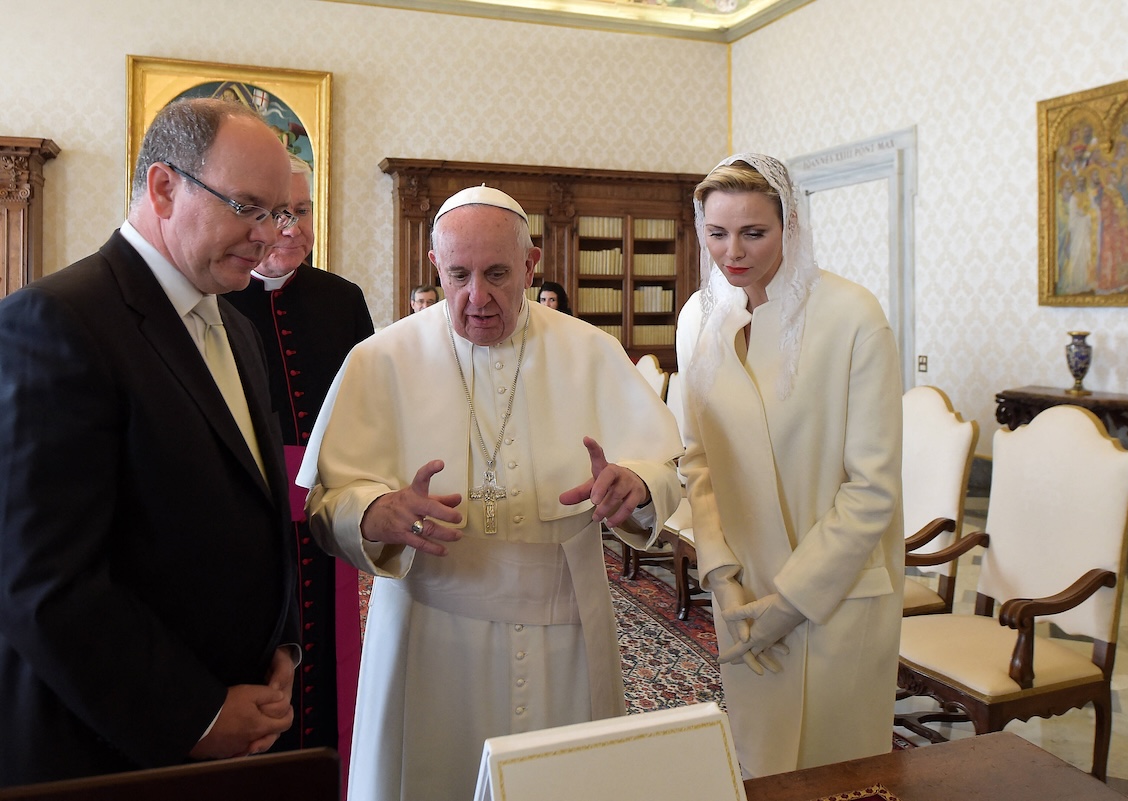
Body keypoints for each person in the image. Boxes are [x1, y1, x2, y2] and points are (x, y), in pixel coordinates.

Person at [298, 185, 683, 801]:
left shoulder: (591, 352)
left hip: (568, 629)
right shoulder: (381, 360)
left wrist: (636, 486)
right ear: (434, 267)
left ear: (531, 265)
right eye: (459, 275)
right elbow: (329, 502)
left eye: (498, 274)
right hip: (430, 633)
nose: (477, 298)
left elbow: (664, 466)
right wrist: (375, 511)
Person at [0, 97, 300, 786]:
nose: (268, 236)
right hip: (107, 748)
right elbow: (44, 583)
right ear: (165, 187)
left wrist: (281, 646)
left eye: (278, 213)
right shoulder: (57, 322)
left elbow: (253, 508)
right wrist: (196, 713)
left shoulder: (238, 328)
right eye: (248, 207)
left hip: (235, 725)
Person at [676, 154, 903, 777]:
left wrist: (792, 599)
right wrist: (720, 572)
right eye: (716, 233)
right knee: (762, 763)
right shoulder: (697, 317)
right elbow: (696, 458)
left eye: (754, 232)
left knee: (838, 772)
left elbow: (873, 487)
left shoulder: (853, 316)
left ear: (791, 224)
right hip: (743, 585)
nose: (733, 252)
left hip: (837, 590)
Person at [226, 154, 375, 768]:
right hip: (243, 518)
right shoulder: (218, 302)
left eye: (303, 211)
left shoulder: (342, 300)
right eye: (276, 212)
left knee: (326, 657)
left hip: (325, 511)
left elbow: (368, 410)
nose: (291, 227)